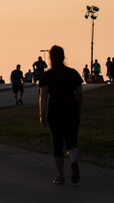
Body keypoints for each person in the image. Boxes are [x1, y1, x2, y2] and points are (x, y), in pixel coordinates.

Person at [39, 45, 83, 185]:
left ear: (50, 58)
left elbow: (44, 95)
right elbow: (80, 95)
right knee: (72, 141)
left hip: (55, 111)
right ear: (64, 57)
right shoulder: (73, 73)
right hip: (71, 109)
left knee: (57, 143)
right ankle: (74, 163)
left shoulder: (47, 76)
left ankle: (60, 175)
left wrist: (42, 114)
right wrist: (78, 110)